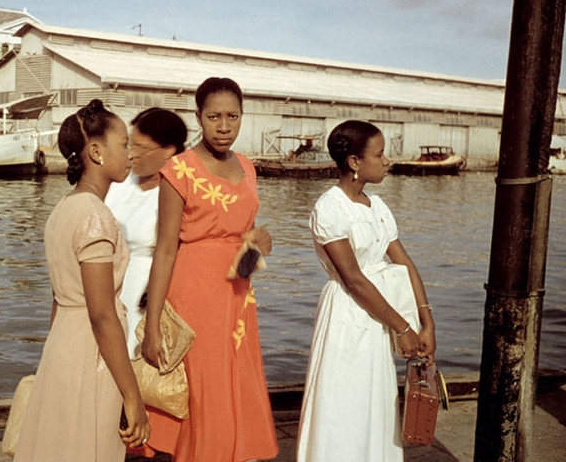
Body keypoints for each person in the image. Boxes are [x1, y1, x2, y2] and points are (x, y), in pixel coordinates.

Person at [140, 77, 279, 462]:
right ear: (198, 116)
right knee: (202, 392)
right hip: (194, 295)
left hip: (237, 296)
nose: (223, 126)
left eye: (232, 116)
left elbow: (243, 243)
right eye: (214, 116)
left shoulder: (249, 168)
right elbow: (166, 249)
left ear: (241, 117)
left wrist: (260, 243)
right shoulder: (178, 169)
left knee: (233, 385)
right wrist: (152, 326)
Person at [13, 99, 151, 461]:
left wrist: (53, 360)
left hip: (62, 347)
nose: (131, 153)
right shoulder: (96, 217)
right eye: (123, 144)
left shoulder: (63, 209)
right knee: (88, 446)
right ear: (95, 152)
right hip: (92, 353)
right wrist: (133, 396)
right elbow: (102, 313)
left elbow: (59, 299)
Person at [296, 120, 437, 462]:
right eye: (380, 154)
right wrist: (401, 328)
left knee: (375, 400)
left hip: (381, 316)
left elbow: (405, 264)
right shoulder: (330, 208)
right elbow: (353, 278)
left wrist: (424, 320)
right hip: (347, 314)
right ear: (354, 162)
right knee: (343, 402)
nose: (387, 160)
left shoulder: (378, 207)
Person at [105, 107, 188, 357]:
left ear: (169, 151)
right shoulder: (120, 182)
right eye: (130, 145)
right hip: (108, 281)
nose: (132, 154)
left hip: (145, 289)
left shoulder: (176, 193)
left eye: (142, 148)